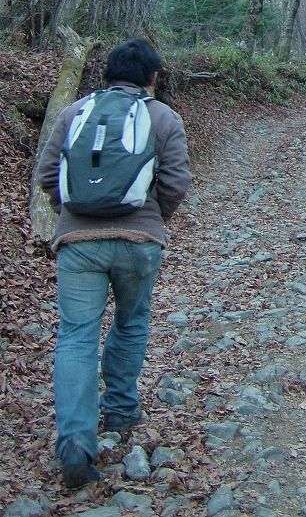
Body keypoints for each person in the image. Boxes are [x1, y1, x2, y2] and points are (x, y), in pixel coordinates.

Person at [36, 38, 192, 489]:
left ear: (106, 74)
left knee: (76, 336)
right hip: (138, 241)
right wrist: (153, 219)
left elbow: (48, 175)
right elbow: (176, 180)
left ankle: (74, 443)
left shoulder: (74, 113)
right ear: (153, 77)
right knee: (130, 322)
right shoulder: (163, 117)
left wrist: (72, 210)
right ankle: (121, 410)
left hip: (78, 244)